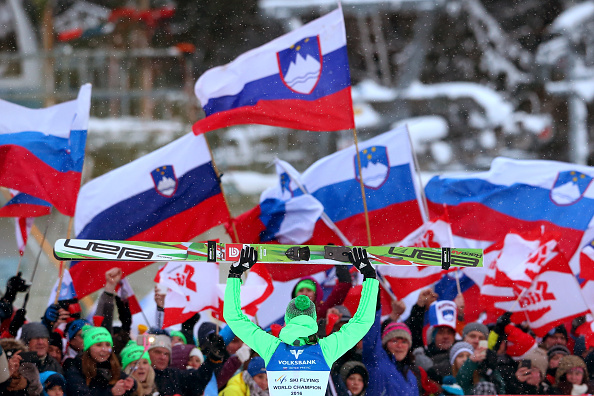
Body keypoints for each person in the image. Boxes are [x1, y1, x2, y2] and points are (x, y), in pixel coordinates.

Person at [224, 247, 379, 395]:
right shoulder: (326, 349)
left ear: (288, 319)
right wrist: (370, 277)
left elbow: (234, 317)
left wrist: (236, 273)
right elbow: (362, 321)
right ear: (313, 318)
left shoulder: (271, 347)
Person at [64, 325, 136, 396]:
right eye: (99, 345)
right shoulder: (76, 368)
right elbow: (80, 393)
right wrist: (111, 392)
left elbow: (130, 382)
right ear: (88, 349)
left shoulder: (111, 366)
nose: (104, 349)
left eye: (108, 345)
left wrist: (130, 384)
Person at [145, 332, 223, 396]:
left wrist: (211, 360)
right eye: (157, 352)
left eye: (166, 354)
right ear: (148, 354)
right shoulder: (141, 374)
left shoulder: (174, 375)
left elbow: (198, 378)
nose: (163, 357)